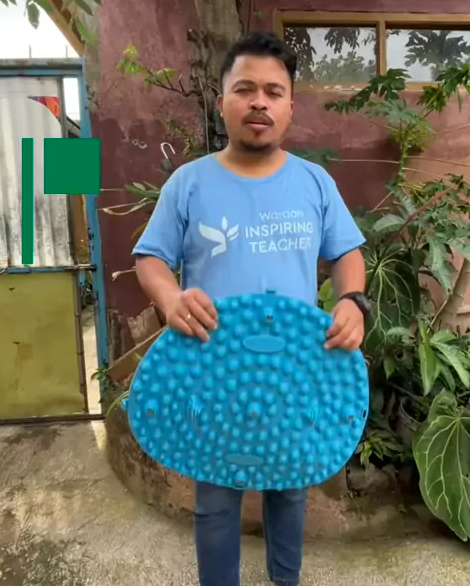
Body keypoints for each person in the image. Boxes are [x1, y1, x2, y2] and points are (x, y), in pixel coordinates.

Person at [133, 31, 370, 586]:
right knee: (215, 501)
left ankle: (285, 580)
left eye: (273, 91)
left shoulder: (315, 183)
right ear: (222, 102)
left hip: (292, 374)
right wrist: (170, 297)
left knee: (290, 489)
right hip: (214, 372)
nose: (258, 102)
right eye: (245, 89)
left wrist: (353, 301)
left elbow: (347, 254)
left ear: (290, 107)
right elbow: (151, 258)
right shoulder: (188, 184)